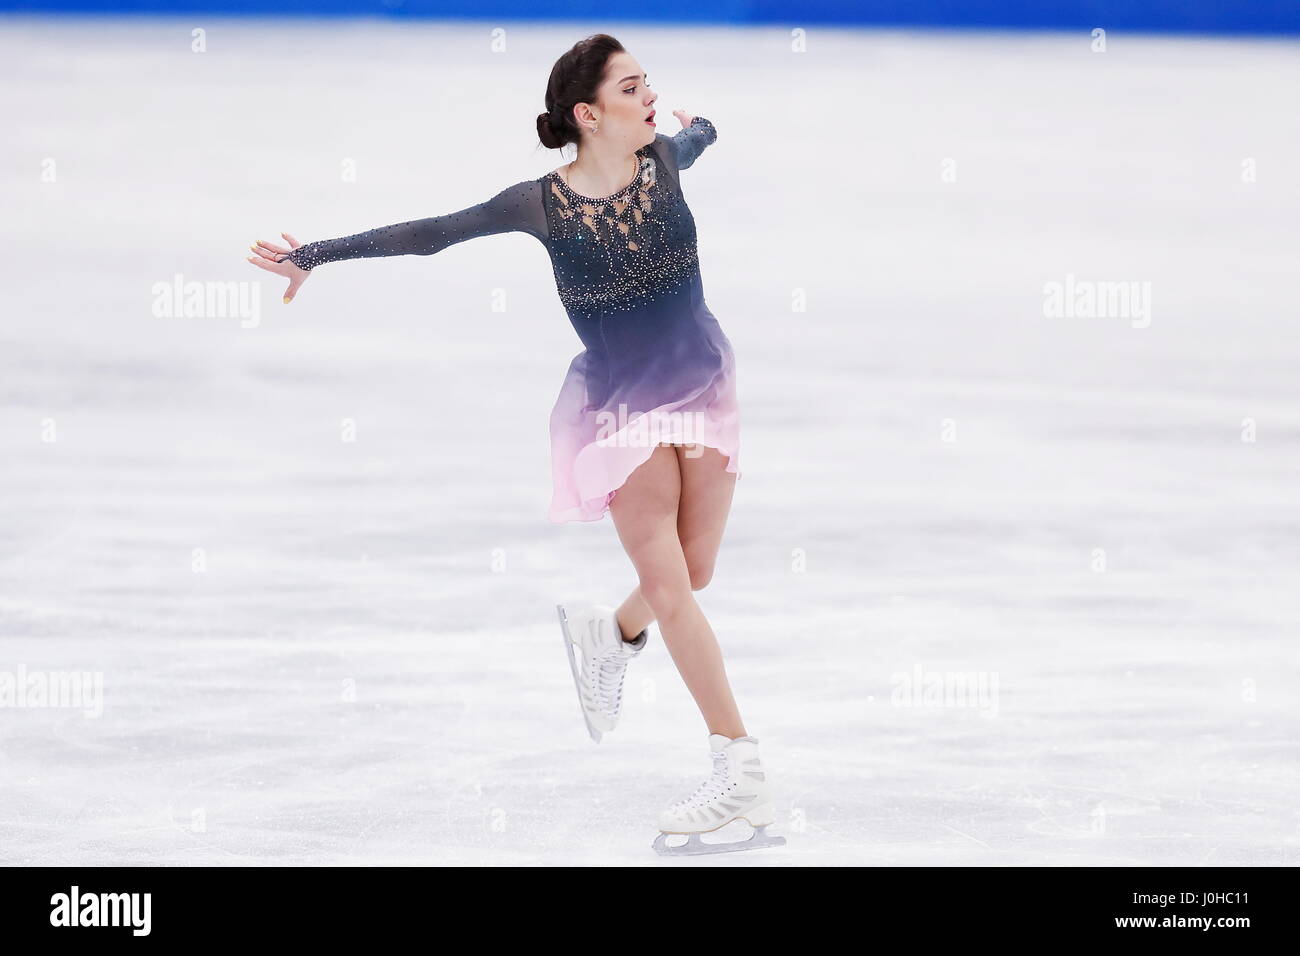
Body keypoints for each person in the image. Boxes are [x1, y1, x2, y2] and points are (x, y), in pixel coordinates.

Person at [246, 33, 783, 856]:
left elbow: (696, 138)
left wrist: (701, 121)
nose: (648, 99)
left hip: (703, 380)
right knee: (672, 583)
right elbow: (433, 232)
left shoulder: (663, 162)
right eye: (632, 88)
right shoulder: (539, 204)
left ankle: (613, 632)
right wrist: (314, 253)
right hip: (619, 408)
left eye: (651, 87)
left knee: (691, 571)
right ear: (587, 113)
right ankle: (738, 764)